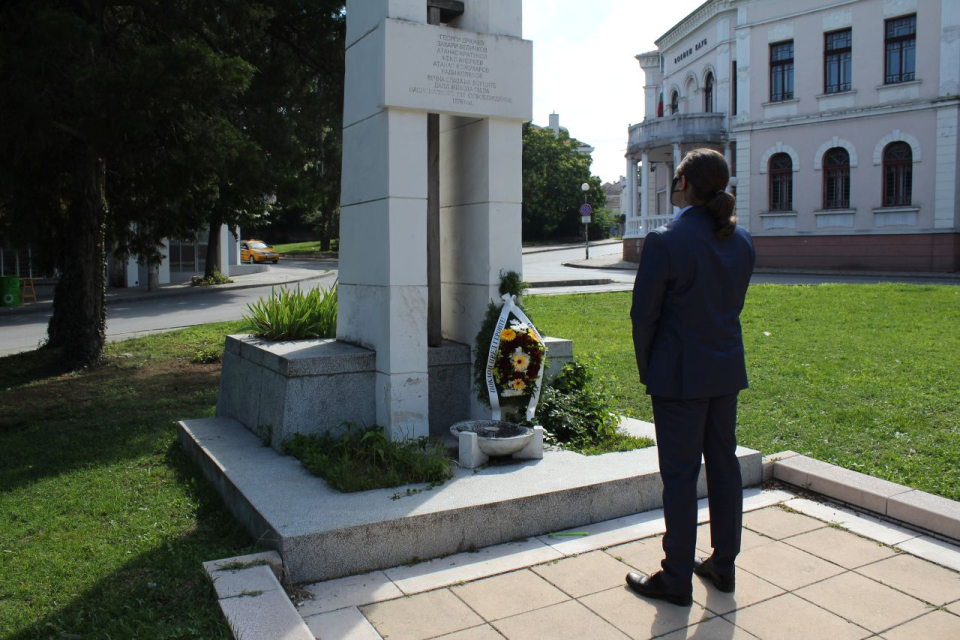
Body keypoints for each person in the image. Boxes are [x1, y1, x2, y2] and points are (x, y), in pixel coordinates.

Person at [626, 148, 756, 607]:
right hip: (724, 372)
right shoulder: (742, 241)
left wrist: (650, 369)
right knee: (725, 469)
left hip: (679, 377)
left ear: (683, 184)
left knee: (680, 477)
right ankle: (723, 566)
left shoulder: (665, 241)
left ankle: (676, 576)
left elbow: (643, 318)